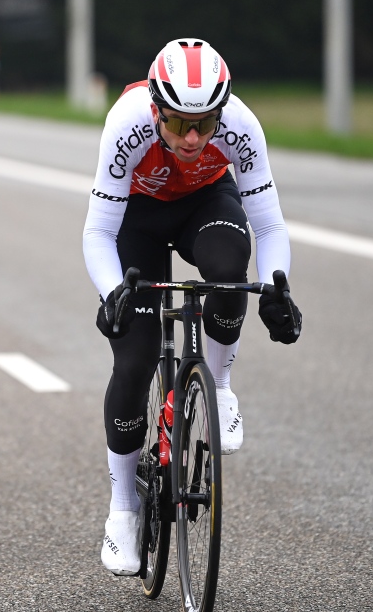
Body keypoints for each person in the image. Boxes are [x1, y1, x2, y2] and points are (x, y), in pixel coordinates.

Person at [82, 38, 303, 575]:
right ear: (157, 109)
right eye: (180, 123)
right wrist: (113, 294)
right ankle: (122, 511)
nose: (193, 138)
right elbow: (98, 231)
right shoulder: (127, 122)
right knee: (134, 361)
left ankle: (219, 385)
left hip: (205, 203)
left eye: (205, 123)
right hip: (136, 218)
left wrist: (278, 288)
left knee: (230, 273)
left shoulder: (240, 124)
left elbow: (269, 224)